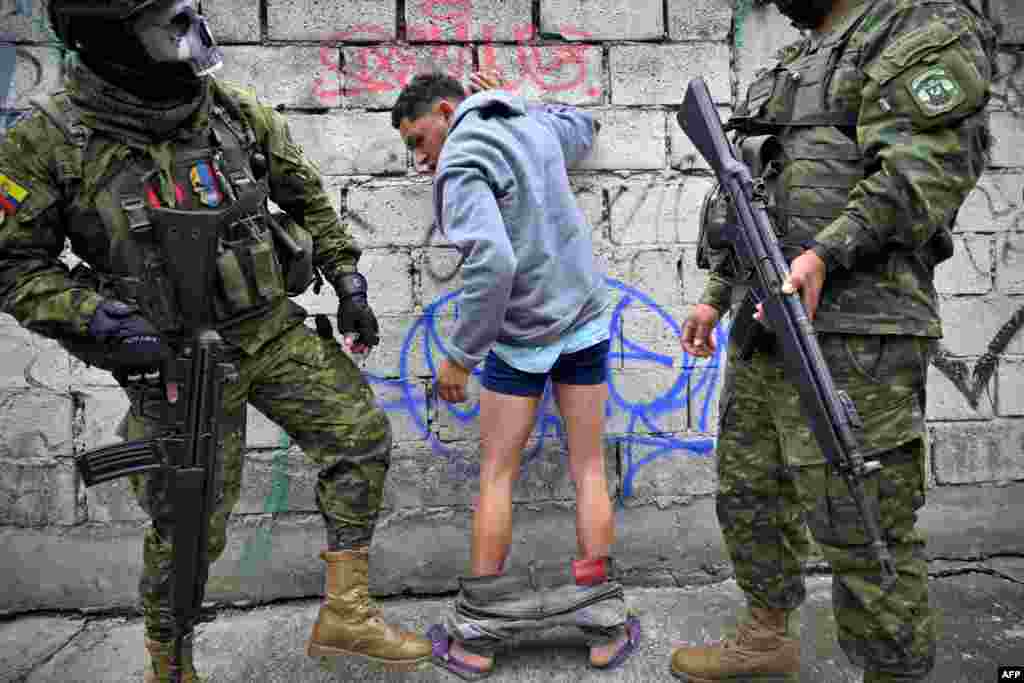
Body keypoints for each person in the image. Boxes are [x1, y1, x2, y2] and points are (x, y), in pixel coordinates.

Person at [0, 1, 431, 680]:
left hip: (267, 328)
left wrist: (347, 280)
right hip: (173, 358)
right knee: (191, 525)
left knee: (359, 438)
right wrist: (92, 316)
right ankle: (170, 664)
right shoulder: (50, 139)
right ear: (112, 36)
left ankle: (346, 613)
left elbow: (305, 196)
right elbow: (14, 264)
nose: (190, 34)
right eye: (168, 23)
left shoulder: (227, 109)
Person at [672, 0, 996, 681]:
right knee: (748, 491)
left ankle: (892, 670)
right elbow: (749, 194)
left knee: (862, 520)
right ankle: (766, 635)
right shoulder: (792, 61)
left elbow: (924, 171)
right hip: (764, 324)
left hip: (858, 333)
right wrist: (714, 295)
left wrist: (827, 251)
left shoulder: (917, 28)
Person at [390, 72, 640, 679]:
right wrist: (524, 97)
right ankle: (603, 623)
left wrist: (460, 355)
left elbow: (494, 264)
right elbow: (584, 125)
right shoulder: (529, 123)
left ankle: (477, 638)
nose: (421, 160)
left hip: (521, 337)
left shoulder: (462, 159)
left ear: (446, 111)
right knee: (587, 469)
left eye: (419, 141)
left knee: (497, 475)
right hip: (583, 321)